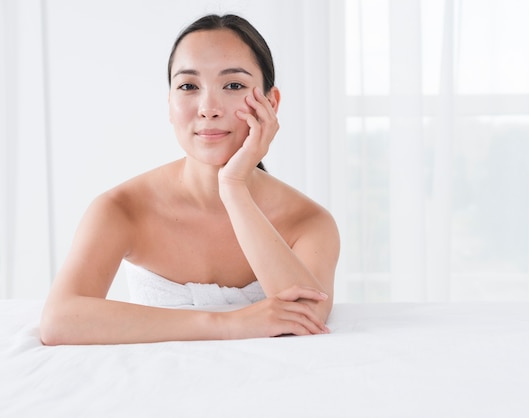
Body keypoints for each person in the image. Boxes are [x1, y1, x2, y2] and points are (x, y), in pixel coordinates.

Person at [39, 14, 340, 345]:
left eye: (234, 85)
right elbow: (60, 321)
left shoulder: (309, 221)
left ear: (270, 104)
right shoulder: (120, 208)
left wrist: (234, 188)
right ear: (170, 103)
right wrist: (228, 324)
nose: (208, 108)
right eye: (188, 86)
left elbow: (308, 318)